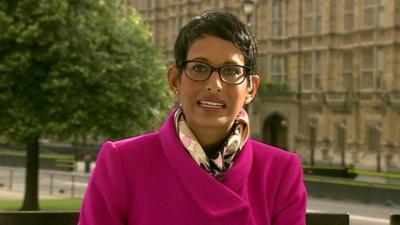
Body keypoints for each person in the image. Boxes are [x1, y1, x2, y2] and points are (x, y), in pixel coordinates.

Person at [78, 10, 307, 225]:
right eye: (199, 68)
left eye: (230, 71)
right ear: (174, 80)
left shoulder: (280, 172)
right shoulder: (122, 163)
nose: (214, 85)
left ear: (251, 88)